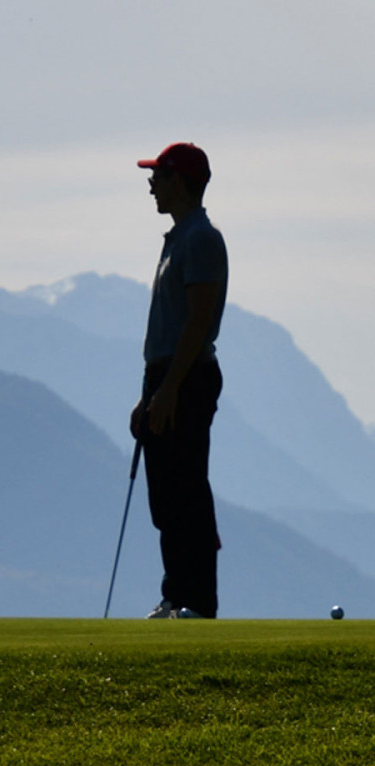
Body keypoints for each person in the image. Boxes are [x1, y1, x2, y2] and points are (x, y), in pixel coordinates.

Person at [131, 144, 227, 619]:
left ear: (181, 182)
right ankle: (175, 596)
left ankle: (196, 601)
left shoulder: (201, 240)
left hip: (186, 379)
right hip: (165, 379)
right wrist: (147, 393)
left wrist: (168, 389)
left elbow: (198, 322)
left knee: (186, 490)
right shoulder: (178, 238)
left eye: (159, 176)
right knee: (166, 497)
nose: (151, 184)